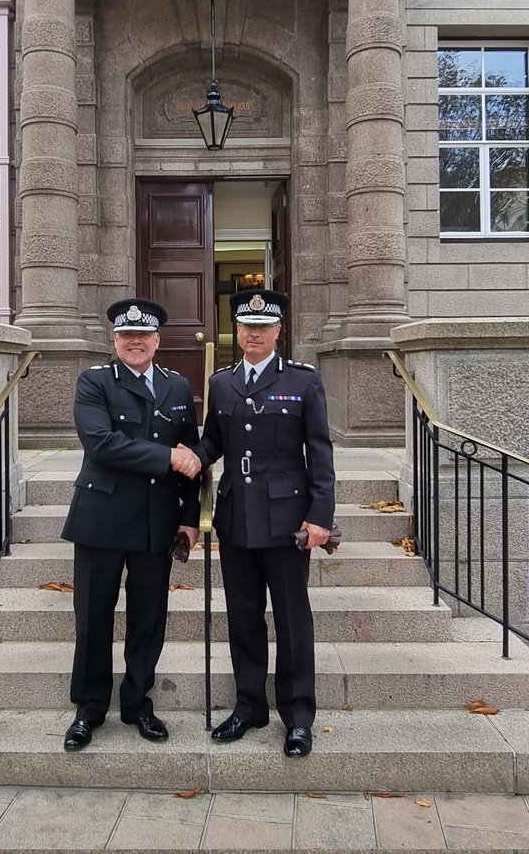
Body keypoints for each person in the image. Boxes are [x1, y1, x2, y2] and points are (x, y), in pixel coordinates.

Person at [196, 288, 336, 758]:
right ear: (237, 331)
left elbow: (319, 452)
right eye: (246, 327)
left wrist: (320, 516)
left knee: (293, 621)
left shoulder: (303, 380)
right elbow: (213, 442)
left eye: (263, 327)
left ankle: (297, 717)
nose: (253, 334)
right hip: (236, 519)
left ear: (278, 331)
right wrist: (183, 458)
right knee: (243, 619)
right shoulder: (221, 384)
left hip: (286, 520)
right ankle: (250, 705)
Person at [60, 297, 201, 751]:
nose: (135, 342)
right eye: (126, 336)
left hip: (154, 521)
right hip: (102, 518)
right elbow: (102, 444)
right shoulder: (94, 382)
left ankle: (139, 703)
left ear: (157, 341)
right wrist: (167, 457)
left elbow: (193, 456)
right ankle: (89, 706)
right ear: (115, 340)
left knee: (148, 619)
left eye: (143, 336)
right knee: (93, 618)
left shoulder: (178, 387)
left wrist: (189, 518)